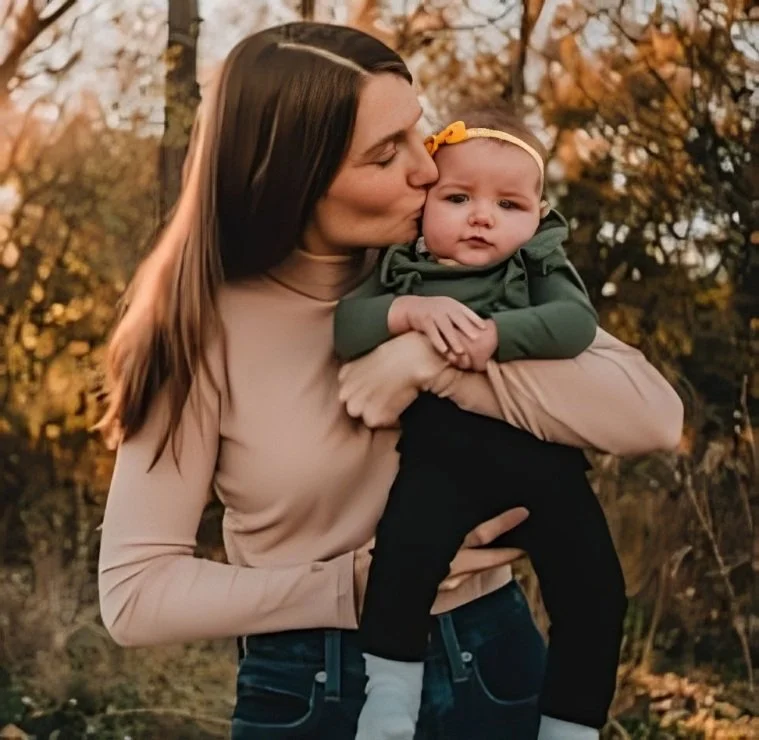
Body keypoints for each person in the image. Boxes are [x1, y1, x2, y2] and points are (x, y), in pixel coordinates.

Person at [96, 21, 684, 740]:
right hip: (317, 687)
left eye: (419, 131)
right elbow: (135, 595)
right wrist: (352, 588)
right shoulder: (199, 327)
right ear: (295, 180)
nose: (428, 169)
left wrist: (427, 359)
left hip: (497, 659)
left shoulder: (463, 261)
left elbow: (652, 416)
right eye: (385, 153)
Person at [334, 109, 628, 740]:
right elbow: (346, 328)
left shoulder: (538, 266)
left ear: (539, 216)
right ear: (425, 207)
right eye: (458, 197)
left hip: (544, 460)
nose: (482, 216)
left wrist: (498, 335)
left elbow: (575, 325)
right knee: (403, 562)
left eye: (509, 204)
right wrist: (409, 311)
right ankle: (388, 702)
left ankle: (571, 726)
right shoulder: (400, 268)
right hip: (444, 454)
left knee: (596, 592)